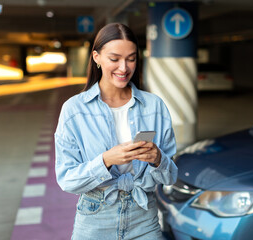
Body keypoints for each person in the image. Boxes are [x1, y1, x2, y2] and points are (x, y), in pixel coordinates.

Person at [54, 23, 178, 240]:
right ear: (96, 57)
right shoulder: (74, 110)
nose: (124, 68)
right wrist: (105, 160)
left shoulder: (154, 106)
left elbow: (170, 176)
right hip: (95, 219)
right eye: (114, 59)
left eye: (131, 58)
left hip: (144, 217)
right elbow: (67, 179)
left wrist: (158, 159)